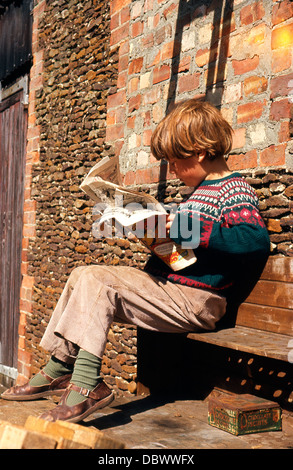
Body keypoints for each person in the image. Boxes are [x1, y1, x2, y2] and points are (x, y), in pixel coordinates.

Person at [1, 100, 270, 423]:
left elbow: (255, 240)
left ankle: (87, 386)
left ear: (199, 151)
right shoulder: (197, 193)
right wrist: (153, 235)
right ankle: (59, 367)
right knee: (82, 274)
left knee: (98, 281)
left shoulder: (233, 190)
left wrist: (193, 230)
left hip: (198, 301)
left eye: (174, 161)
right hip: (173, 289)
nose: (171, 169)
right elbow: (187, 257)